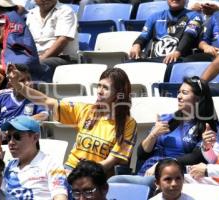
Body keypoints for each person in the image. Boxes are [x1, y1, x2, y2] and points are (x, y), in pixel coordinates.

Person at [7, 67, 137, 175]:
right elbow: (46, 101)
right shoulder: (86, 111)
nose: (99, 91)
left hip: (97, 176)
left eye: (105, 88)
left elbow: (112, 161)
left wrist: (83, 174)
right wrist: (18, 85)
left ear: (118, 94)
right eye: (99, 86)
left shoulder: (128, 124)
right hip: (71, 169)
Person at [108, 76, 218, 189]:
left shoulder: (206, 127)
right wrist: (153, 135)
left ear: (198, 99)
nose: (179, 96)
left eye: (184, 93)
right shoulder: (167, 119)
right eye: (179, 92)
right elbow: (141, 154)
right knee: (113, 181)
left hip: (173, 176)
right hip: (147, 171)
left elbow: (195, 157)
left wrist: (162, 165)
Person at [0, 115, 70, 199]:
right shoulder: (8, 166)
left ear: (35, 137)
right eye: (8, 137)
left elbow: (60, 196)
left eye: (17, 137)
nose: (11, 142)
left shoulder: (51, 164)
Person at [0, 64, 48, 140]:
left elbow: (44, 115)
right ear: (10, 85)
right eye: (22, 80)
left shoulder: (36, 99)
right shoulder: (0, 99)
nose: (28, 83)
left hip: (21, 138)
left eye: (29, 79)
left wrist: (18, 124)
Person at [129, 0, 203, 65]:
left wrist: (178, 52)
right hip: (154, 61)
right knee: (128, 64)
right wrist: (137, 45)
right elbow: (143, 36)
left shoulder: (194, 16)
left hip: (178, 61)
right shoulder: (155, 16)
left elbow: (189, 36)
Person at [26, 0, 78, 77]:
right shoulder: (31, 14)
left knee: (35, 66)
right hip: (38, 58)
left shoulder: (65, 11)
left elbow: (62, 40)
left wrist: (40, 59)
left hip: (63, 58)